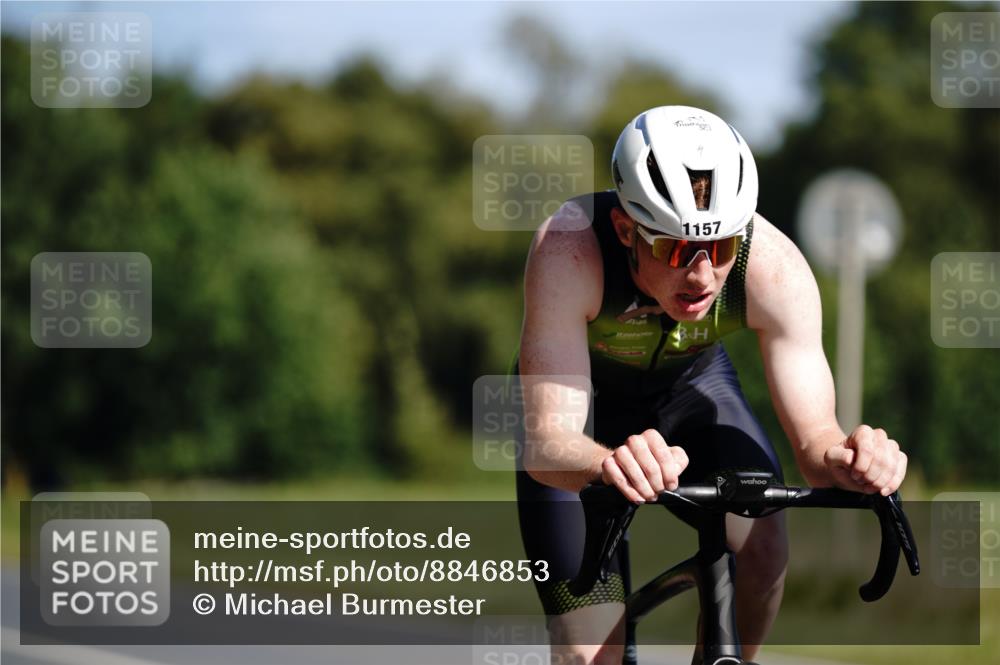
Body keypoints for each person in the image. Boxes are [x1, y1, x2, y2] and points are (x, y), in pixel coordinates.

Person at [514, 105, 908, 665]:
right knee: (589, 654)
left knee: (764, 542)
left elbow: (817, 441)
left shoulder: (773, 266)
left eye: (720, 248)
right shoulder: (569, 248)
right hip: (584, 417)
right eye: (676, 250)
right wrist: (607, 465)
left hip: (689, 393)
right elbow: (548, 441)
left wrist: (854, 461)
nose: (701, 276)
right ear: (626, 229)